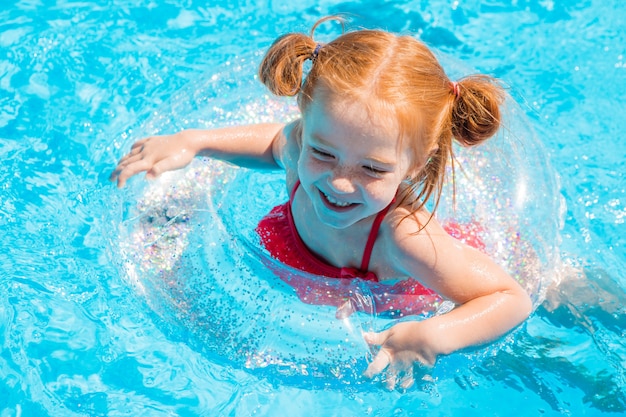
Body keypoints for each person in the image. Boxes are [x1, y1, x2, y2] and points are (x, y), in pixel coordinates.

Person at [110, 16, 532, 390]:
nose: (340, 183)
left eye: (372, 169)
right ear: (305, 124)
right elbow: (277, 143)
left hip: (409, 295)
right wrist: (195, 142)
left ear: (416, 166)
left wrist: (434, 335)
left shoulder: (405, 238)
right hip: (318, 272)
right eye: (324, 154)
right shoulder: (298, 148)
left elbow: (509, 299)